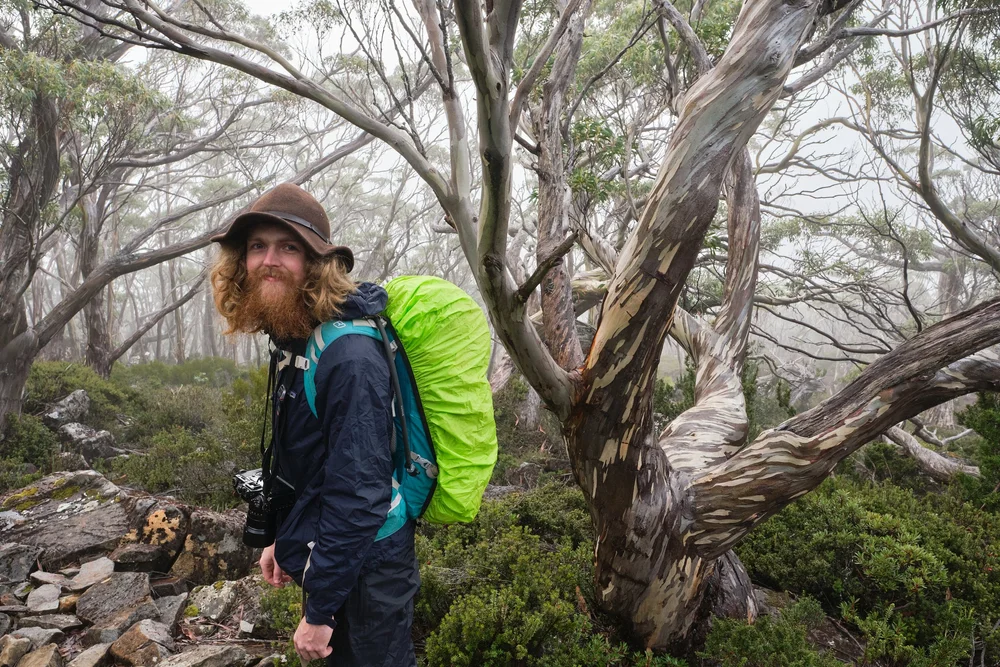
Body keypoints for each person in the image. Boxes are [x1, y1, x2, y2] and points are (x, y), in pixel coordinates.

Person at [209, 182, 419, 667]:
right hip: (339, 552)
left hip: (370, 567)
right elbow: (319, 465)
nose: (269, 260)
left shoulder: (348, 354)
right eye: (257, 247)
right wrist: (284, 538)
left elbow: (360, 492)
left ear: (316, 264)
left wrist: (320, 610)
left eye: (289, 247)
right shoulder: (294, 339)